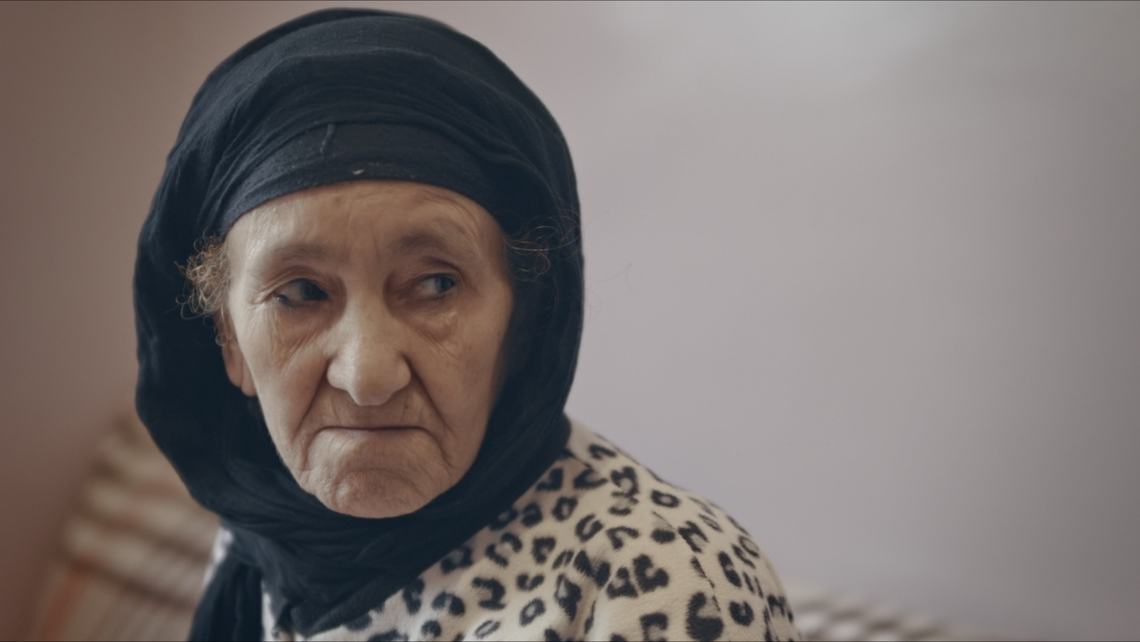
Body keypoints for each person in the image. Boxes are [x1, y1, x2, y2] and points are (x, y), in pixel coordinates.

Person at [133, 8, 798, 641]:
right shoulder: (265, 529)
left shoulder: (660, 582)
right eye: (301, 292)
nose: (368, 376)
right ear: (229, 341)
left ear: (524, 322)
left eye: (435, 285)